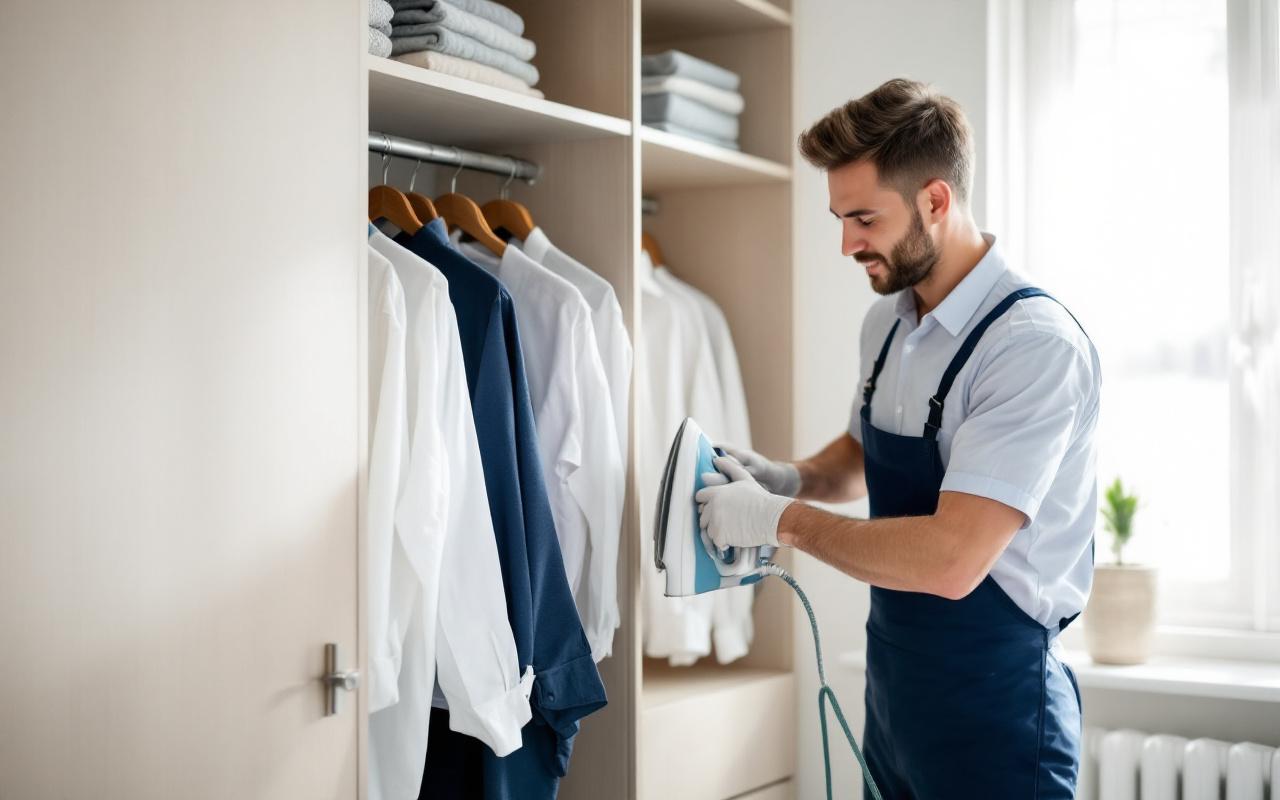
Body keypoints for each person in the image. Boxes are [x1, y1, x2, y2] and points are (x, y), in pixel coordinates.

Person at [695, 78, 1101, 799]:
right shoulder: (887, 322)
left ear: (935, 201)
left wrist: (779, 522)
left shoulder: (1031, 347)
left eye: (863, 219)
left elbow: (952, 560)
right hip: (895, 698)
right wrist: (786, 476)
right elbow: (859, 458)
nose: (847, 244)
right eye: (839, 219)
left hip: (999, 718)